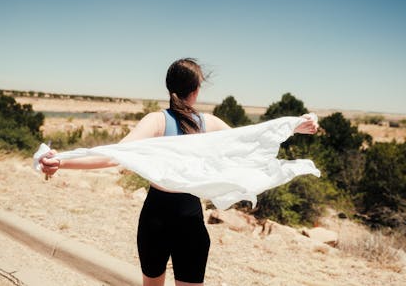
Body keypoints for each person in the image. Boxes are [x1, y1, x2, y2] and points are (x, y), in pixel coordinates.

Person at [39, 58, 318, 286]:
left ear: (169, 87)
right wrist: (296, 125)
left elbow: (114, 155)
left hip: (155, 217)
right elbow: (250, 144)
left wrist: (62, 161)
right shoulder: (208, 123)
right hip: (189, 218)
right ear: (195, 90)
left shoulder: (156, 121)